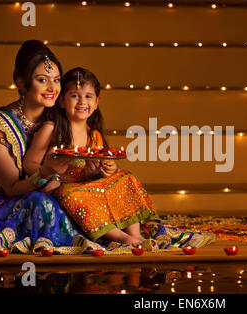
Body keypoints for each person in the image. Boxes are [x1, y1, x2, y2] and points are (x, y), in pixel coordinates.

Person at [0, 40, 94, 254]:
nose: (52, 88)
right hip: (4, 202)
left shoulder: (59, 117)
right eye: (42, 80)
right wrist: (47, 173)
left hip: (51, 193)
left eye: (56, 80)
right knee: (40, 201)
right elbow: (10, 187)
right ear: (21, 83)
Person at [24, 67, 160, 248]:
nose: (82, 102)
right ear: (62, 101)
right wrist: (51, 174)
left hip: (89, 187)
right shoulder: (51, 129)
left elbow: (100, 170)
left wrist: (108, 170)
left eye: (88, 96)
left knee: (126, 178)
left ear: (96, 102)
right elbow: (29, 164)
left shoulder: (95, 135)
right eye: (74, 96)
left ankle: (135, 234)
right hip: (64, 189)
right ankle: (121, 238)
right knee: (70, 194)